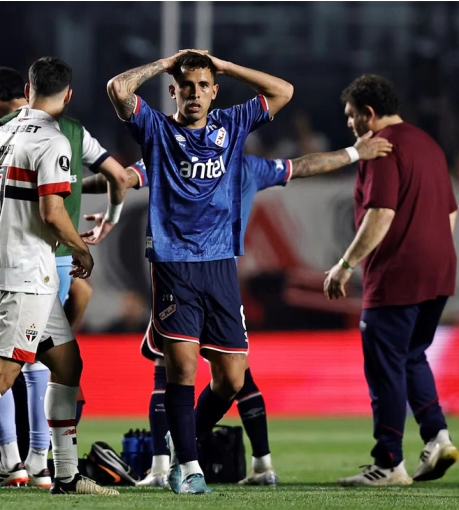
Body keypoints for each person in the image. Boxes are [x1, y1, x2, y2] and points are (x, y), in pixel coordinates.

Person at [83, 134, 392, 487]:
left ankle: (161, 465)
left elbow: (118, 175)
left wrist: (63, 183)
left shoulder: (181, 162)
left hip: (188, 275)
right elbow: (305, 165)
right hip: (216, 277)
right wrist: (354, 152)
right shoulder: (246, 166)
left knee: (189, 370)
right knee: (233, 374)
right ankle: (259, 463)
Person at [0, 57, 117, 497]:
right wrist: (82, 248)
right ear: (67, 95)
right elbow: (52, 212)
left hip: (23, 272)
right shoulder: (54, 141)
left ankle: (65, 475)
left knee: (68, 366)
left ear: (28, 90)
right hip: (24, 275)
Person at [107, 49, 293, 494]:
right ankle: (188, 466)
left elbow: (283, 91)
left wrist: (225, 65)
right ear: (174, 90)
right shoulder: (156, 128)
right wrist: (165, 62)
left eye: (203, 86)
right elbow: (118, 88)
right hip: (173, 265)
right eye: (186, 86)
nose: (194, 93)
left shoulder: (232, 124)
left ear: (214, 92)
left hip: (220, 265)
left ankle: (181, 438)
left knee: (230, 378)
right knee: (183, 369)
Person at [325, 75, 459, 486]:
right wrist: (431, 253)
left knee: (385, 367)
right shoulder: (429, 144)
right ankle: (438, 437)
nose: (348, 124)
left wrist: (345, 264)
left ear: (369, 113)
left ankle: (388, 463)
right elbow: (452, 213)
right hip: (440, 271)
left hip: (397, 275)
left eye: (351, 116)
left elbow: (380, 212)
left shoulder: (380, 148)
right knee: (411, 356)